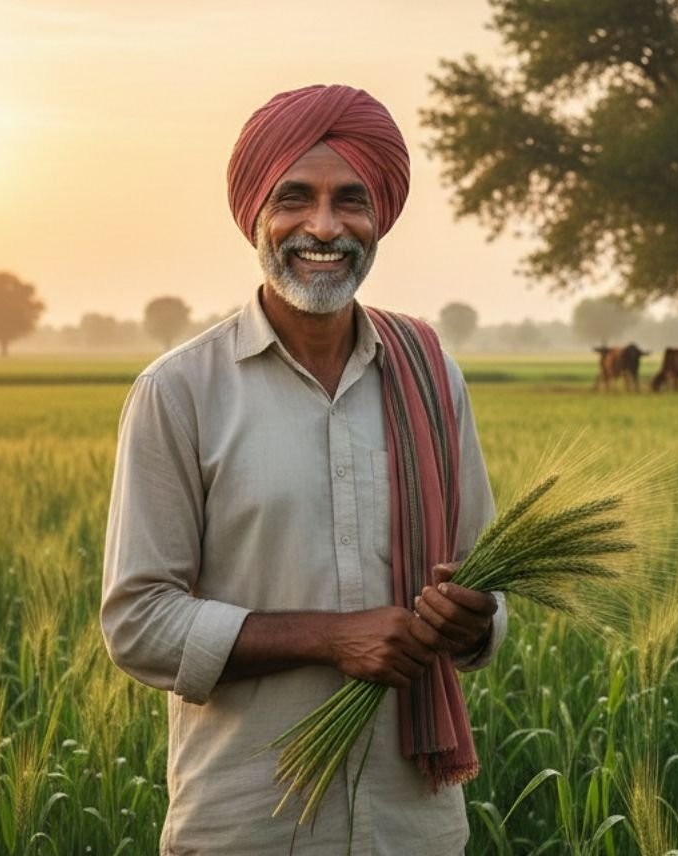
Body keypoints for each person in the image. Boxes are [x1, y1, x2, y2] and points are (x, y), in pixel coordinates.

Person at [101, 83, 506, 855]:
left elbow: (486, 577)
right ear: (256, 212)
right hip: (249, 822)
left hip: (412, 822)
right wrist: (330, 637)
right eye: (296, 198)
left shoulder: (429, 374)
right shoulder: (180, 392)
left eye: (350, 200)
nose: (324, 227)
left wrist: (476, 617)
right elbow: (138, 623)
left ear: (379, 215)